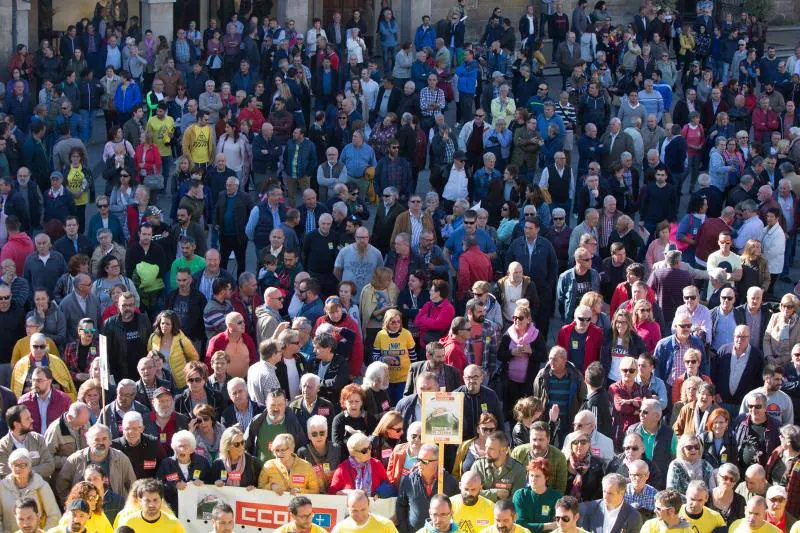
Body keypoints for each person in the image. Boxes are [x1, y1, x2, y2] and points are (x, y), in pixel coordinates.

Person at [114, 479, 186, 531]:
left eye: (155, 500)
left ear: (161, 500)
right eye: (147, 500)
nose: (151, 504)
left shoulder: (174, 523)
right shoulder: (127, 522)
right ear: (140, 501)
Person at [330, 490, 398, 532]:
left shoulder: (386, 525)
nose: (359, 514)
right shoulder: (339, 529)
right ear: (348, 507)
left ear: (369, 505)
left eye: (363, 510)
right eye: (355, 511)